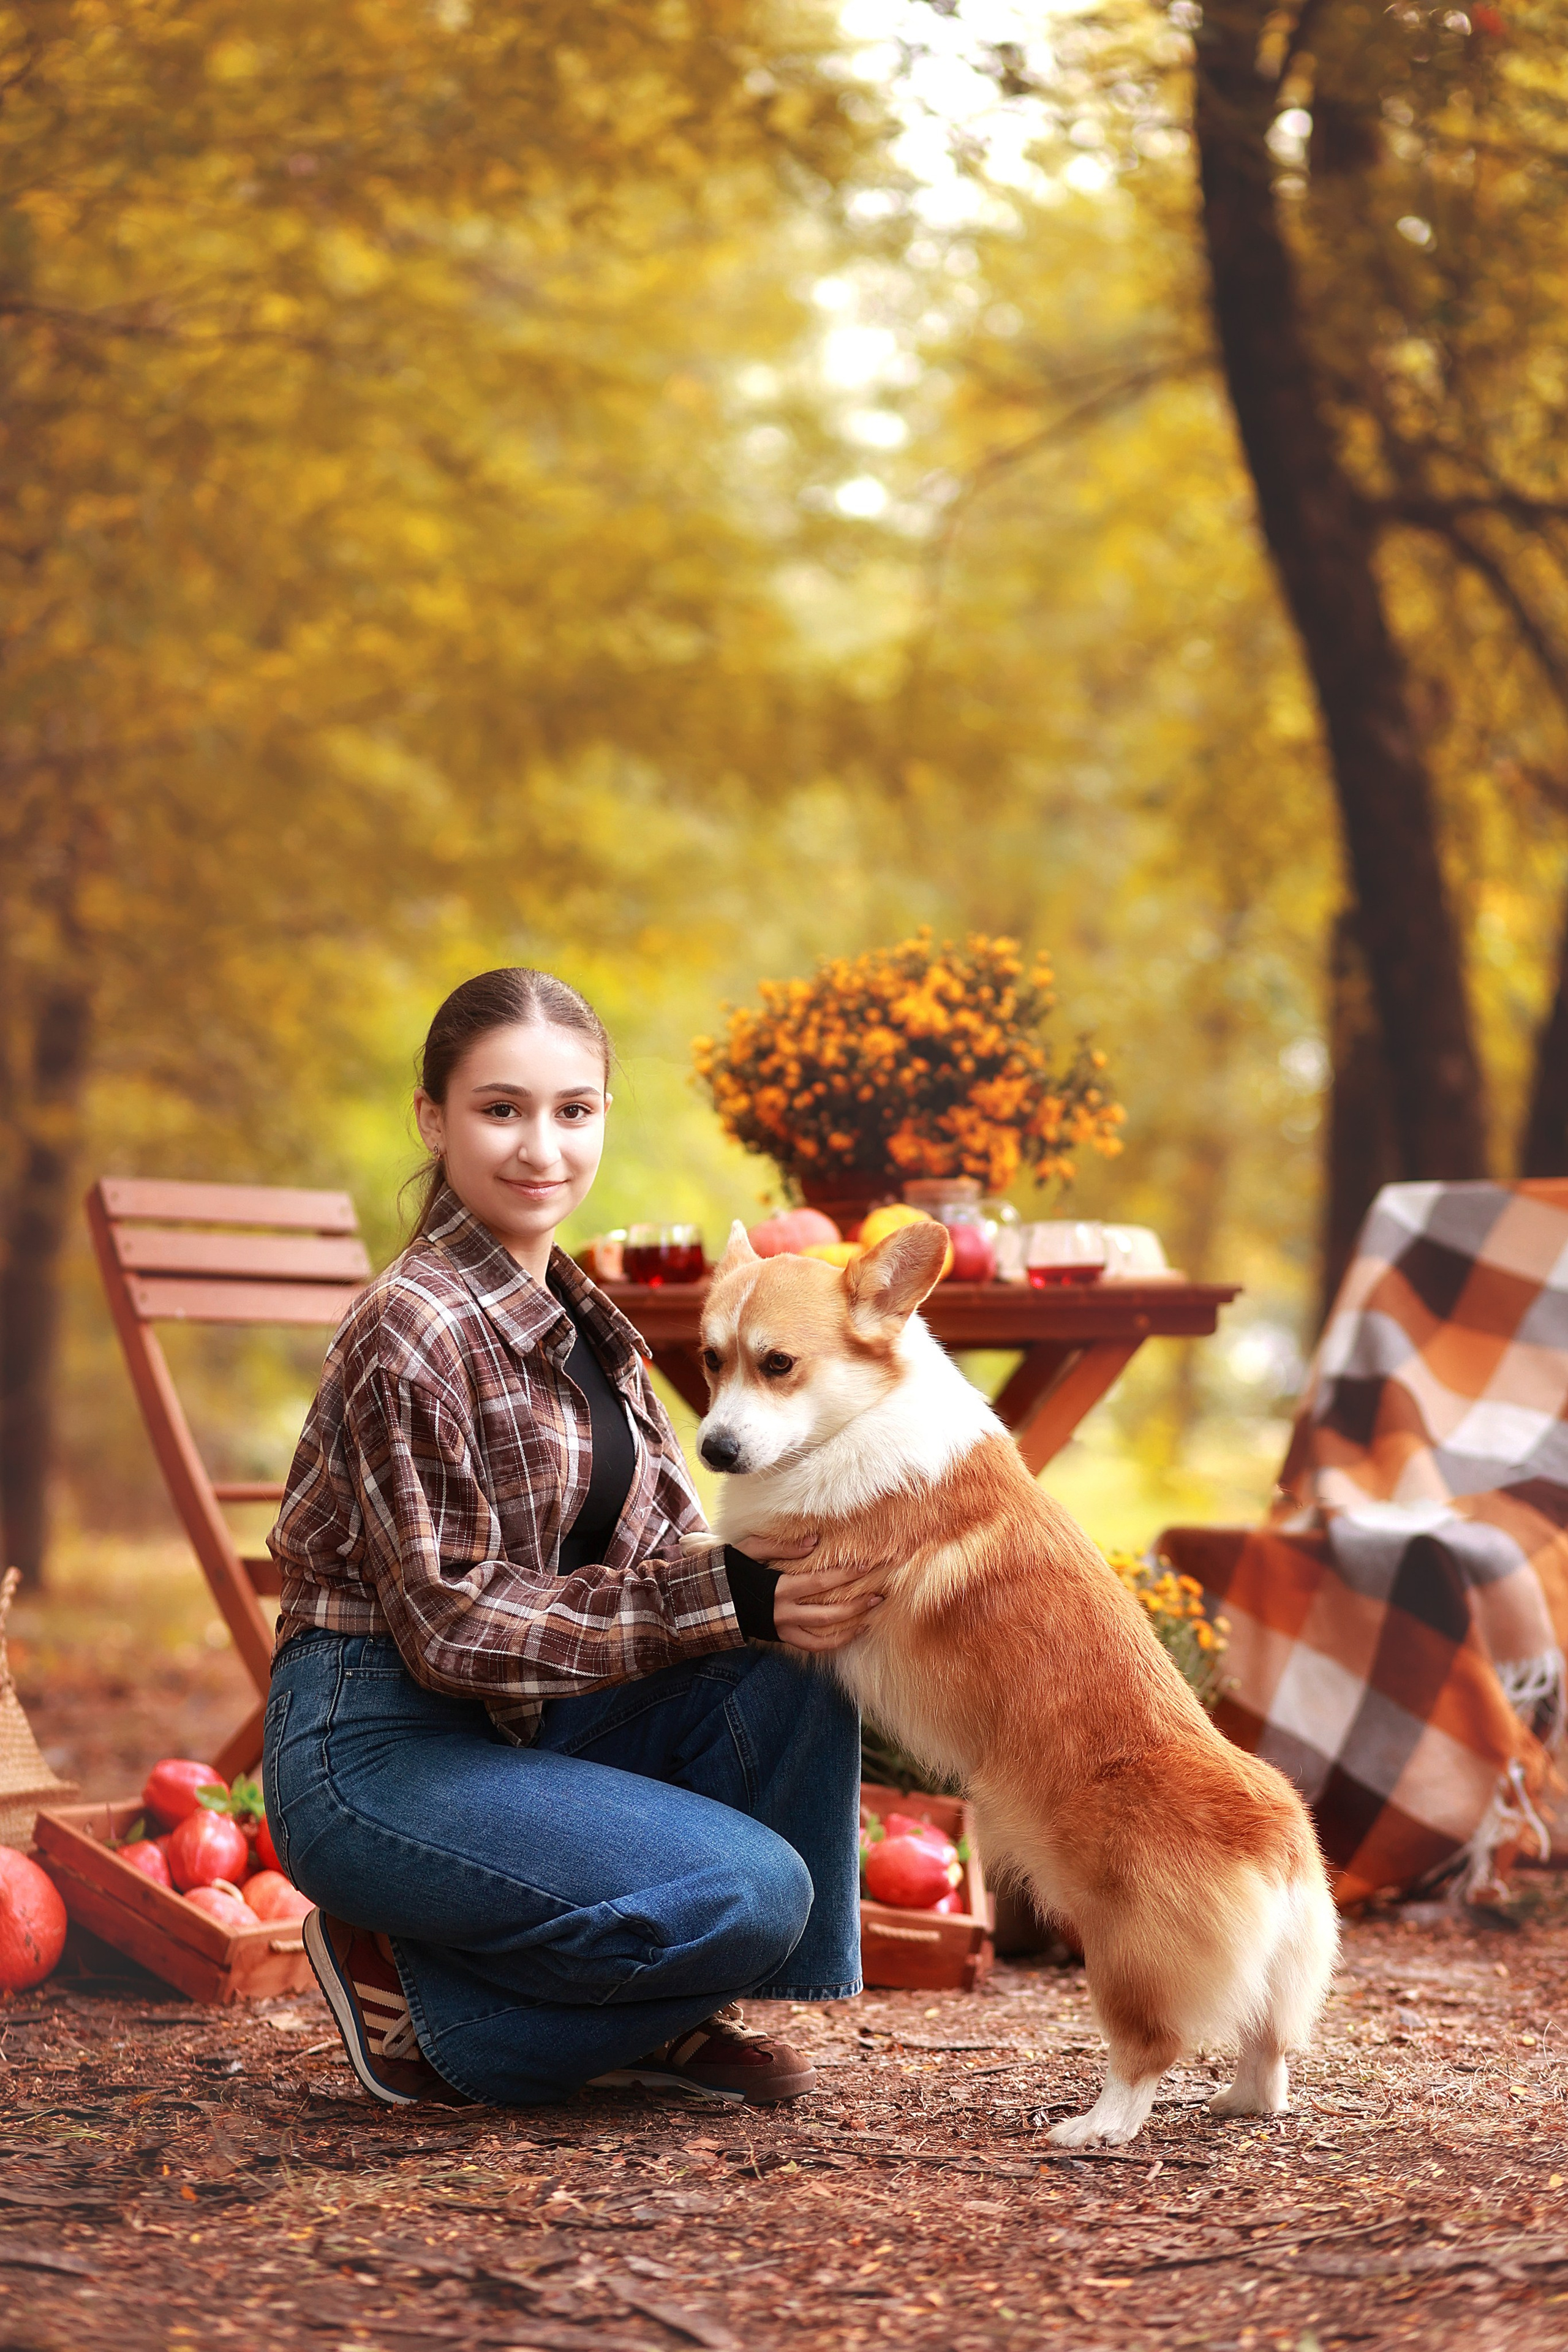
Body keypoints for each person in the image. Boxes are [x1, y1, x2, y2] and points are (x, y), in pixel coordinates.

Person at [264, 967, 884, 2110]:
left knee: (799, 1658)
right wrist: (725, 1598)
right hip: (379, 1744)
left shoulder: (591, 1323)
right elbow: (451, 1629)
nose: (540, 1147)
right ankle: (441, 2003)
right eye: (501, 1109)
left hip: (527, 1724)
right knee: (754, 1893)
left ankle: (660, 2004)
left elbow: (665, 1565)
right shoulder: (412, 1327)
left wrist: (833, 1573)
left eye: (574, 1110)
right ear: (433, 1118)